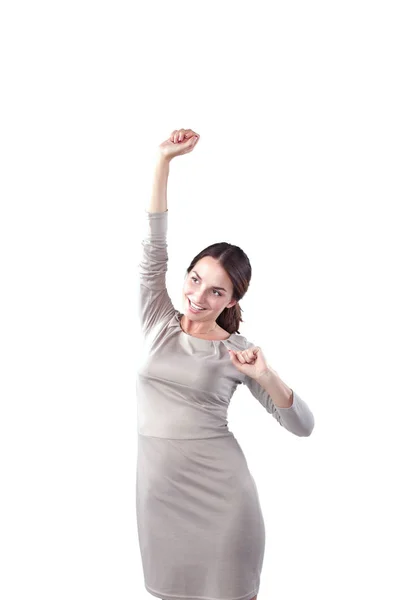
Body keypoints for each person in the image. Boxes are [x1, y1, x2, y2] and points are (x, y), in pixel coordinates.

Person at [135, 128, 315, 600]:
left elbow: (303, 426)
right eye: (194, 280)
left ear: (233, 298)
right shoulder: (158, 319)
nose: (197, 297)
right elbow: (154, 247)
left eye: (216, 290)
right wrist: (163, 162)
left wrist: (266, 375)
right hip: (159, 495)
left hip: (223, 497)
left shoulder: (238, 350)